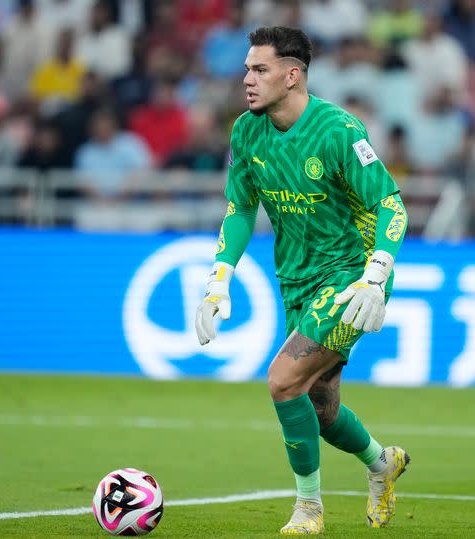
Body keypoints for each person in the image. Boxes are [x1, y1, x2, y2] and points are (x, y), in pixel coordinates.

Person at [195, 26, 410, 535]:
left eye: (259, 69)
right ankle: (383, 464)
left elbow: (390, 204)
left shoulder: (339, 131)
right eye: (247, 68)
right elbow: (242, 207)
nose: (247, 79)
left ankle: (308, 507)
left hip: (351, 277)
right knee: (320, 405)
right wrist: (219, 277)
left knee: (282, 380)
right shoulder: (247, 131)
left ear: (293, 76)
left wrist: (376, 276)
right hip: (295, 279)